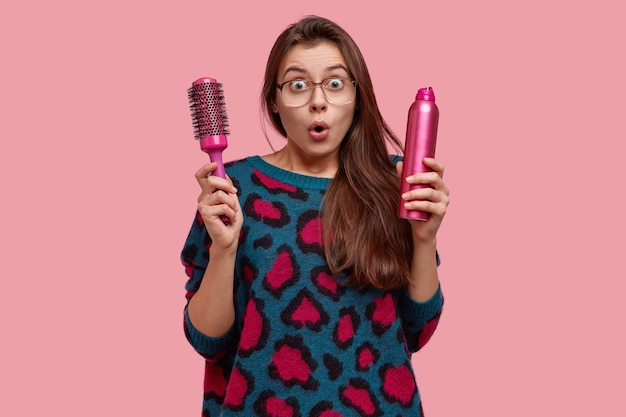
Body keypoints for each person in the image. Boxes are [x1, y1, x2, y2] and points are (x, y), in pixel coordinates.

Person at [181, 15, 450, 417]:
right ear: (273, 99)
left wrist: (424, 239)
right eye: (298, 84)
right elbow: (207, 340)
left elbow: (416, 330)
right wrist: (223, 248)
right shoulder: (232, 188)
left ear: (358, 96)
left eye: (336, 83)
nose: (318, 100)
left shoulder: (394, 183)